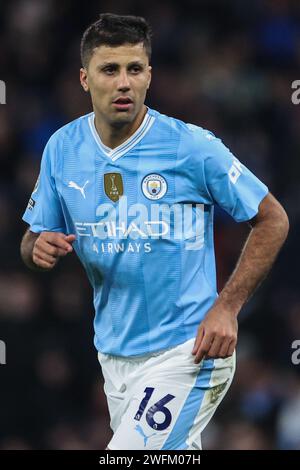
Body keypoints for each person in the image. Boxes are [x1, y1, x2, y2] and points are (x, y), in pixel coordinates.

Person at [20, 13, 289, 450]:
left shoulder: (191, 146)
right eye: (110, 70)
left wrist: (227, 307)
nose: (124, 82)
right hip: (115, 357)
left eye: (135, 69)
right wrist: (38, 248)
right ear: (85, 79)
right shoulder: (61, 149)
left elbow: (272, 218)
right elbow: (32, 240)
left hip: (189, 350)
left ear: (150, 76)